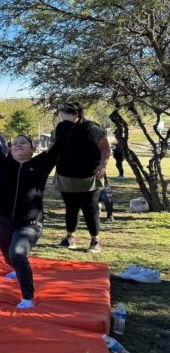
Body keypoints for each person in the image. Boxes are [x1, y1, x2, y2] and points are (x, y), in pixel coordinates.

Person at [0, 114, 73, 308]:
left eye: (23, 143)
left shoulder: (41, 164)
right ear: (10, 149)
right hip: (2, 220)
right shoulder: (3, 163)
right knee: (9, 257)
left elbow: (59, 146)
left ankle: (28, 297)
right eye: (15, 143)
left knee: (17, 253)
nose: (18, 145)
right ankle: (16, 268)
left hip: (30, 224)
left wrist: (67, 122)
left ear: (32, 149)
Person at [53, 102, 110, 252]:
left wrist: (102, 166)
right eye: (63, 111)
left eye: (69, 111)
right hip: (65, 176)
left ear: (78, 113)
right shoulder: (60, 127)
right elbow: (52, 149)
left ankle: (95, 241)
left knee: (90, 208)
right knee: (71, 208)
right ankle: (70, 238)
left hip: (89, 177)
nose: (65, 114)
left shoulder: (91, 127)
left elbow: (105, 148)